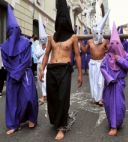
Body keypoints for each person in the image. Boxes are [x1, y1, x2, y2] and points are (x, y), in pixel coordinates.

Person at [39, 0, 82, 140]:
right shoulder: (52, 37)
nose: (62, 21)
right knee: (52, 98)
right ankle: (56, 120)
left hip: (65, 69)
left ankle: (61, 126)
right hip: (52, 70)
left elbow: (77, 56)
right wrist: (41, 70)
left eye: (64, 19)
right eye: (60, 19)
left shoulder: (73, 37)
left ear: (67, 20)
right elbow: (46, 55)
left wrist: (80, 74)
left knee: (63, 98)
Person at [1, 5, 38, 135]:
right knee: (12, 101)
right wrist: (13, 73)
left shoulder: (26, 42)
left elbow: (27, 60)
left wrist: (17, 73)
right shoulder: (4, 47)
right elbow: (6, 62)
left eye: (16, 29)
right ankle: (13, 124)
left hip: (25, 74)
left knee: (28, 97)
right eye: (12, 29)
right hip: (11, 75)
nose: (15, 31)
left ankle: (31, 118)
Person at [101, 22, 128, 136]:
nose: (114, 44)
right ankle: (112, 123)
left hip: (119, 84)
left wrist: (120, 59)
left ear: (120, 44)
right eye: (112, 43)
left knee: (118, 105)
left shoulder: (125, 55)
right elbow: (102, 68)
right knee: (109, 104)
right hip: (109, 84)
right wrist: (109, 78)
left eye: (117, 43)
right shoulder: (107, 56)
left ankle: (115, 125)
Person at [82, 10, 110, 106]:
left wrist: (107, 50)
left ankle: (101, 98)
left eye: (100, 33)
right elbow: (85, 51)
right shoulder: (90, 41)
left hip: (101, 64)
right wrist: (80, 43)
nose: (98, 35)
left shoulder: (105, 41)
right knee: (93, 81)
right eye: (96, 33)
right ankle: (95, 98)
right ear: (94, 33)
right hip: (93, 64)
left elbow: (109, 50)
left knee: (101, 82)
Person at [35, 15, 48, 104]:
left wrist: (46, 49)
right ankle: (44, 95)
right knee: (40, 81)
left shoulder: (48, 45)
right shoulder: (37, 45)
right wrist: (43, 50)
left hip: (46, 65)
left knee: (44, 80)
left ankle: (44, 96)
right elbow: (36, 54)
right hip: (39, 64)